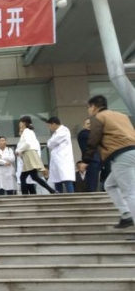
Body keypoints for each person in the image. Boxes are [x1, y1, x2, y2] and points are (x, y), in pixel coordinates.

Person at [83, 95, 135, 230]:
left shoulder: (98, 117)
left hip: (121, 155)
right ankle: (126, 215)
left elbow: (93, 139)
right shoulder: (122, 116)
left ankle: (129, 216)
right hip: (131, 152)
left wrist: (86, 160)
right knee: (110, 185)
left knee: (129, 193)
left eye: (88, 107)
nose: (88, 110)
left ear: (93, 107)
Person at [15, 116, 57, 195]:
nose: (19, 124)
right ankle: (51, 190)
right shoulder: (29, 131)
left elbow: (27, 144)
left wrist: (19, 150)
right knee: (30, 177)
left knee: (26, 177)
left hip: (29, 154)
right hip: (28, 154)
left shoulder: (27, 131)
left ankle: (25, 195)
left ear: (24, 123)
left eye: (20, 122)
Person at [46, 117, 76, 193]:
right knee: (57, 180)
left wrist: (51, 143)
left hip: (63, 159)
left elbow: (52, 142)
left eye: (49, 125)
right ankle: (58, 197)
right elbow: (49, 144)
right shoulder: (55, 133)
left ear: (54, 124)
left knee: (67, 180)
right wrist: (50, 143)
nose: (49, 128)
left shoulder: (64, 130)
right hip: (56, 160)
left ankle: (72, 197)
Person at [78, 118, 101, 192]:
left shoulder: (93, 134)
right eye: (88, 124)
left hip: (95, 160)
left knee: (94, 181)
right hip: (91, 160)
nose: (90, 125)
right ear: (84, 125)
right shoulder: (84, 134)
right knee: (92, 182)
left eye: (91, 124)